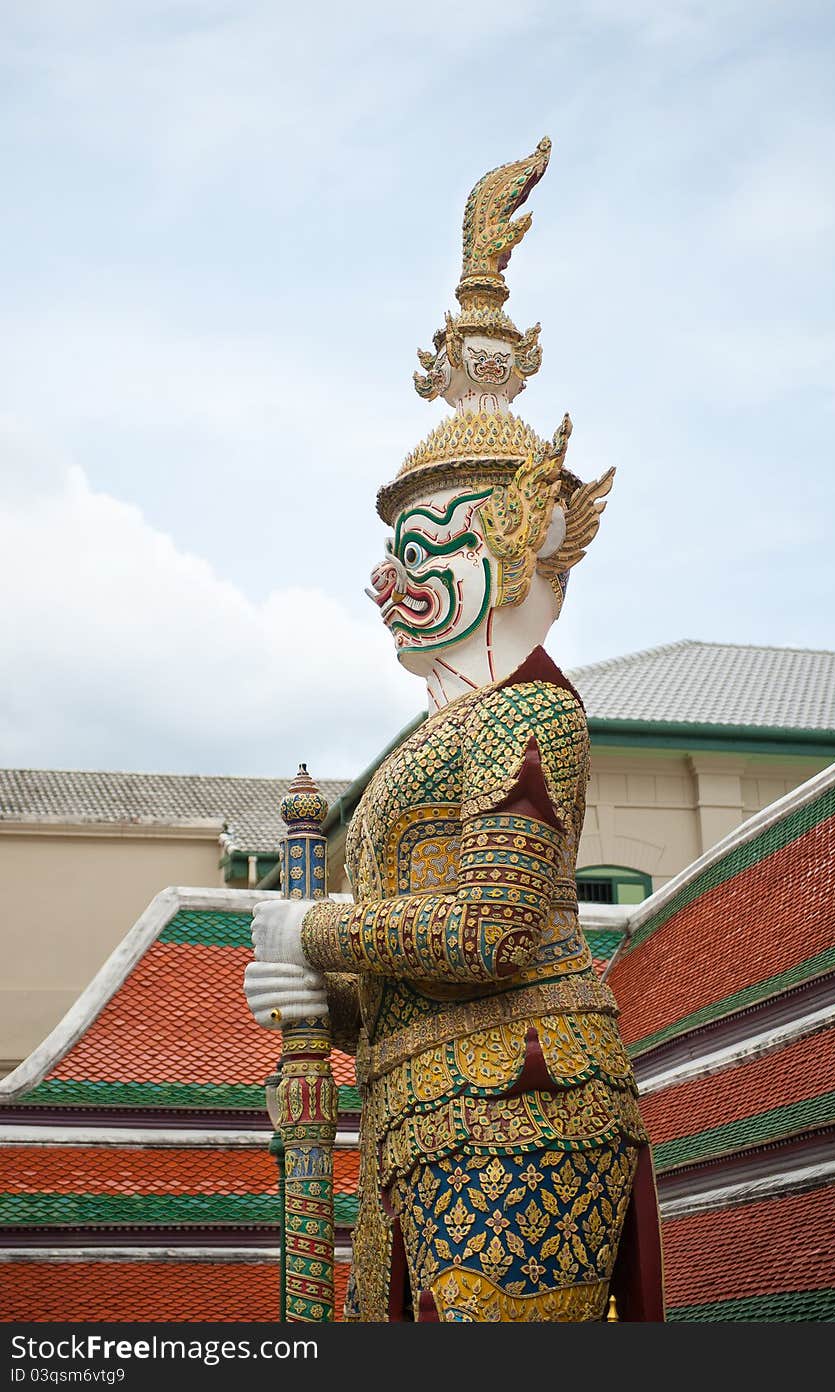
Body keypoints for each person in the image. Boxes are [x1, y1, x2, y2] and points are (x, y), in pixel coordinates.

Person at [244, 140, 664, 1322]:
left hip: (519, 1098)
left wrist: (312, 924)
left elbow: (487, 932)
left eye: (429, 556)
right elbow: (405, 970)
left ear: (522, 546)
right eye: (392, 558)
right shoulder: (427, 744)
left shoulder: (528, 712)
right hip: (424, 1109)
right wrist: (319, 1002)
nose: (391, 584)